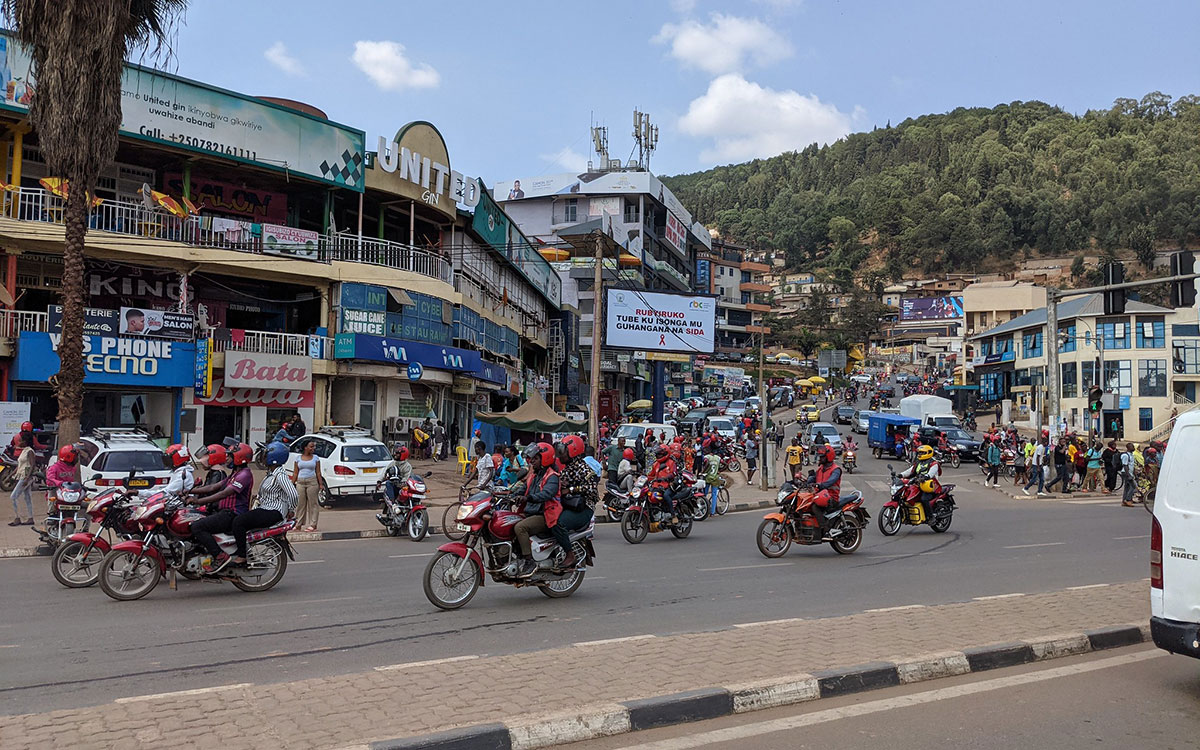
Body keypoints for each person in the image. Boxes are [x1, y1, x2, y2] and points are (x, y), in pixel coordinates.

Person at [188, 442, 254, 573]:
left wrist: (198, 501)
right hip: (224, 512)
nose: (227, 459)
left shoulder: (244, 475)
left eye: (230, 456)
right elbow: (213, 487)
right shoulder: (234, 473)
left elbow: (223, 493)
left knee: (197, 527)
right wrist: (189, 490)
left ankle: (220, 557)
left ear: (239, 457)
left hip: (232, 514)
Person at [229, 442, 297, 567]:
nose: (262, 458)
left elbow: (293, 494)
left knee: (239, 522)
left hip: (273, 512)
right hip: (266, 509)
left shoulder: (280, 475)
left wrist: (291, 510)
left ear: (273, 457)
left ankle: (242, 556)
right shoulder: (271, 474)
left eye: (265, 455)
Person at [513, 442, 559, 577]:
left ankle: (529, 561)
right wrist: (507, 494)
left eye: (536, 458)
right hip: (530, 512)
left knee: (520, 528)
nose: (532, 461)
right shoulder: (534, 475)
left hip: (544, 515)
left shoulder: (552, 476)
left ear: (545, 459)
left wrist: (528, 498)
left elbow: (546, 494)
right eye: (532, 458)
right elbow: (522, 489)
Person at [551, 436, 596, 569]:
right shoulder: (566, 469)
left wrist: (571, 489)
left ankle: (570, 555)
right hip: (568, 505)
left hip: (584, 509)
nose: (560, 455)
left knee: (558, 523)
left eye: (563, 452)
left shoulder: (584, 469)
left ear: (573, 451)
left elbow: (592, 489)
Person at [899, 444, 941, 520]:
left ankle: (931, 517)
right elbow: (910, 471)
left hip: (929, 487)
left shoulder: (934, 464)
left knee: (924, 499)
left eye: (922, 453)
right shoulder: (919, 462)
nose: (920, 454)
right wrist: (901, 475)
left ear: (928, 453)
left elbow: (930, 474)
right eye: (919, 453)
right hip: (918, 484)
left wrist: (924, 477)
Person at [808, 445, 843, 530]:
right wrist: (805, 480)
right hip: (821, 496)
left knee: (814, 507)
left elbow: (831, 481)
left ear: (828, 456)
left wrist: (820, 485)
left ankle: (824, 528)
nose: (820, 458)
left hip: (831, 498)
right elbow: (813, 478)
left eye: (822, 457)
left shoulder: (836, 470)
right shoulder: (821, 469)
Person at [291, 440, 322, 532]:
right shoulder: (298, 458)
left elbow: (318, 472)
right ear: (305, 448)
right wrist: (292, 483)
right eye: (311, 446)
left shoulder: (315, 458)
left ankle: (313, 524)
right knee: (300, 504)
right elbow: (295, 472)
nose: (313, 448)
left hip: (312, 482)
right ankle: (298, 524)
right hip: (300, 482)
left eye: (313, 447)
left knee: (313, 504)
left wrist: (320, 484)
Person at [8, 434, 35, 525]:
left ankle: (18, 517)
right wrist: (12, 474)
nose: (19, 442)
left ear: (25, 442)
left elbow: (32, 465)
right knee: (27, 497)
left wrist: (27, 478)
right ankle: (30, 518)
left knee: (14, 496)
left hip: (25, 477)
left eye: (20, 440)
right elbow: (20, 465)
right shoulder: (24, 451)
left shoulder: (30, 451)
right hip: (23, 476)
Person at [702, 446, 722, 515]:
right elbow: (725, 464)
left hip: (708, 477)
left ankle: (703, 509)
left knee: (704, 494)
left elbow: (706, 463)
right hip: (715, 478)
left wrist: (703, 471)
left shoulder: (707, 457)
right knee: (714, 495)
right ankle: (712, 512)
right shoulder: (717, 458)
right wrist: (719, 471)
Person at [1120, 442, 1138, 507]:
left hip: (1129, 473)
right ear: (1128, 448)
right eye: (1131, 447)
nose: (1133, 448)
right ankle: (1128, 500)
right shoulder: (1125, 455)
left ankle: (1124, 500)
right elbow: (1125, 465)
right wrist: (1129, 475)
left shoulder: (1131, 455)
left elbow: (1131, 465)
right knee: (1133, 487)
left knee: (1127, 487)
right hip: (1126, 473)